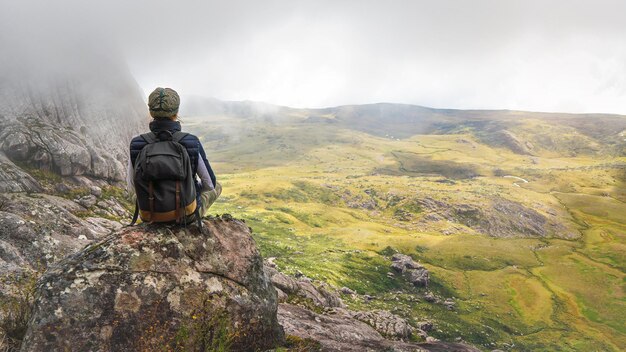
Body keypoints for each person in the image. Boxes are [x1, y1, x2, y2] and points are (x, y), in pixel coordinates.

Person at [127, 87, 221, 221]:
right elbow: (210, 184)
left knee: (134, 195)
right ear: (176, 112)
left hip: (150, 215)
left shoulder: (137, 144)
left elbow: (131, 185)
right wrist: (193, 189)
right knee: (217, 186)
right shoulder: (191, 141)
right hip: (185, 216)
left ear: (151, 112)